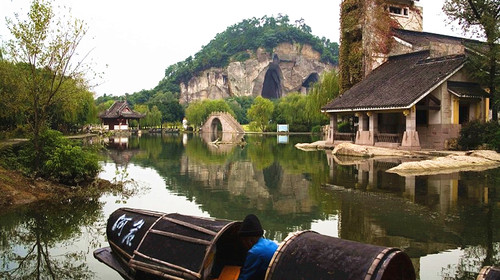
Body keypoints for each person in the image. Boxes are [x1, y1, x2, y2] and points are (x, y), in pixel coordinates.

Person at [237, 214, 278, 280]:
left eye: (243, 242)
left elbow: (245, 277)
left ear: (249, 240)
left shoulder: (254, 252)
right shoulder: (272, 244)